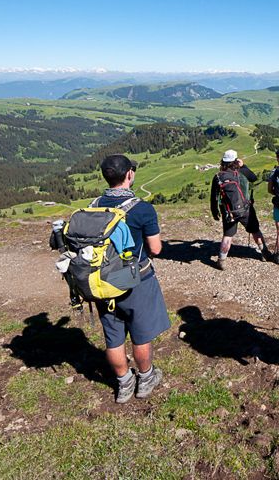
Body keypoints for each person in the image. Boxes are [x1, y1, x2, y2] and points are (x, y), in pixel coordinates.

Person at [92, 154, 171, 403]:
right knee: (141, 333)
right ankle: (145, 379)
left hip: (102, 281)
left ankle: (124, 384)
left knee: (113, 337)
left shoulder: (94, 206)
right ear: (129, 175)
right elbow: (156, 249)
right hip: (134, 280)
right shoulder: (142, 209)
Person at [210, 149, 270, 269]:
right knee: (255, 230)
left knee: (228, 235)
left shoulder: (218, 177)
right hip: (245, 209)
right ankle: (265, 253)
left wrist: (214, 212)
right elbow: (253, 178)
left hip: (228, 211)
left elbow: (214, 197)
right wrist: (244, 166)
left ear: (223, 161)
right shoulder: (241, 171)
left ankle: (221, 260)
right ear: (236, 160)